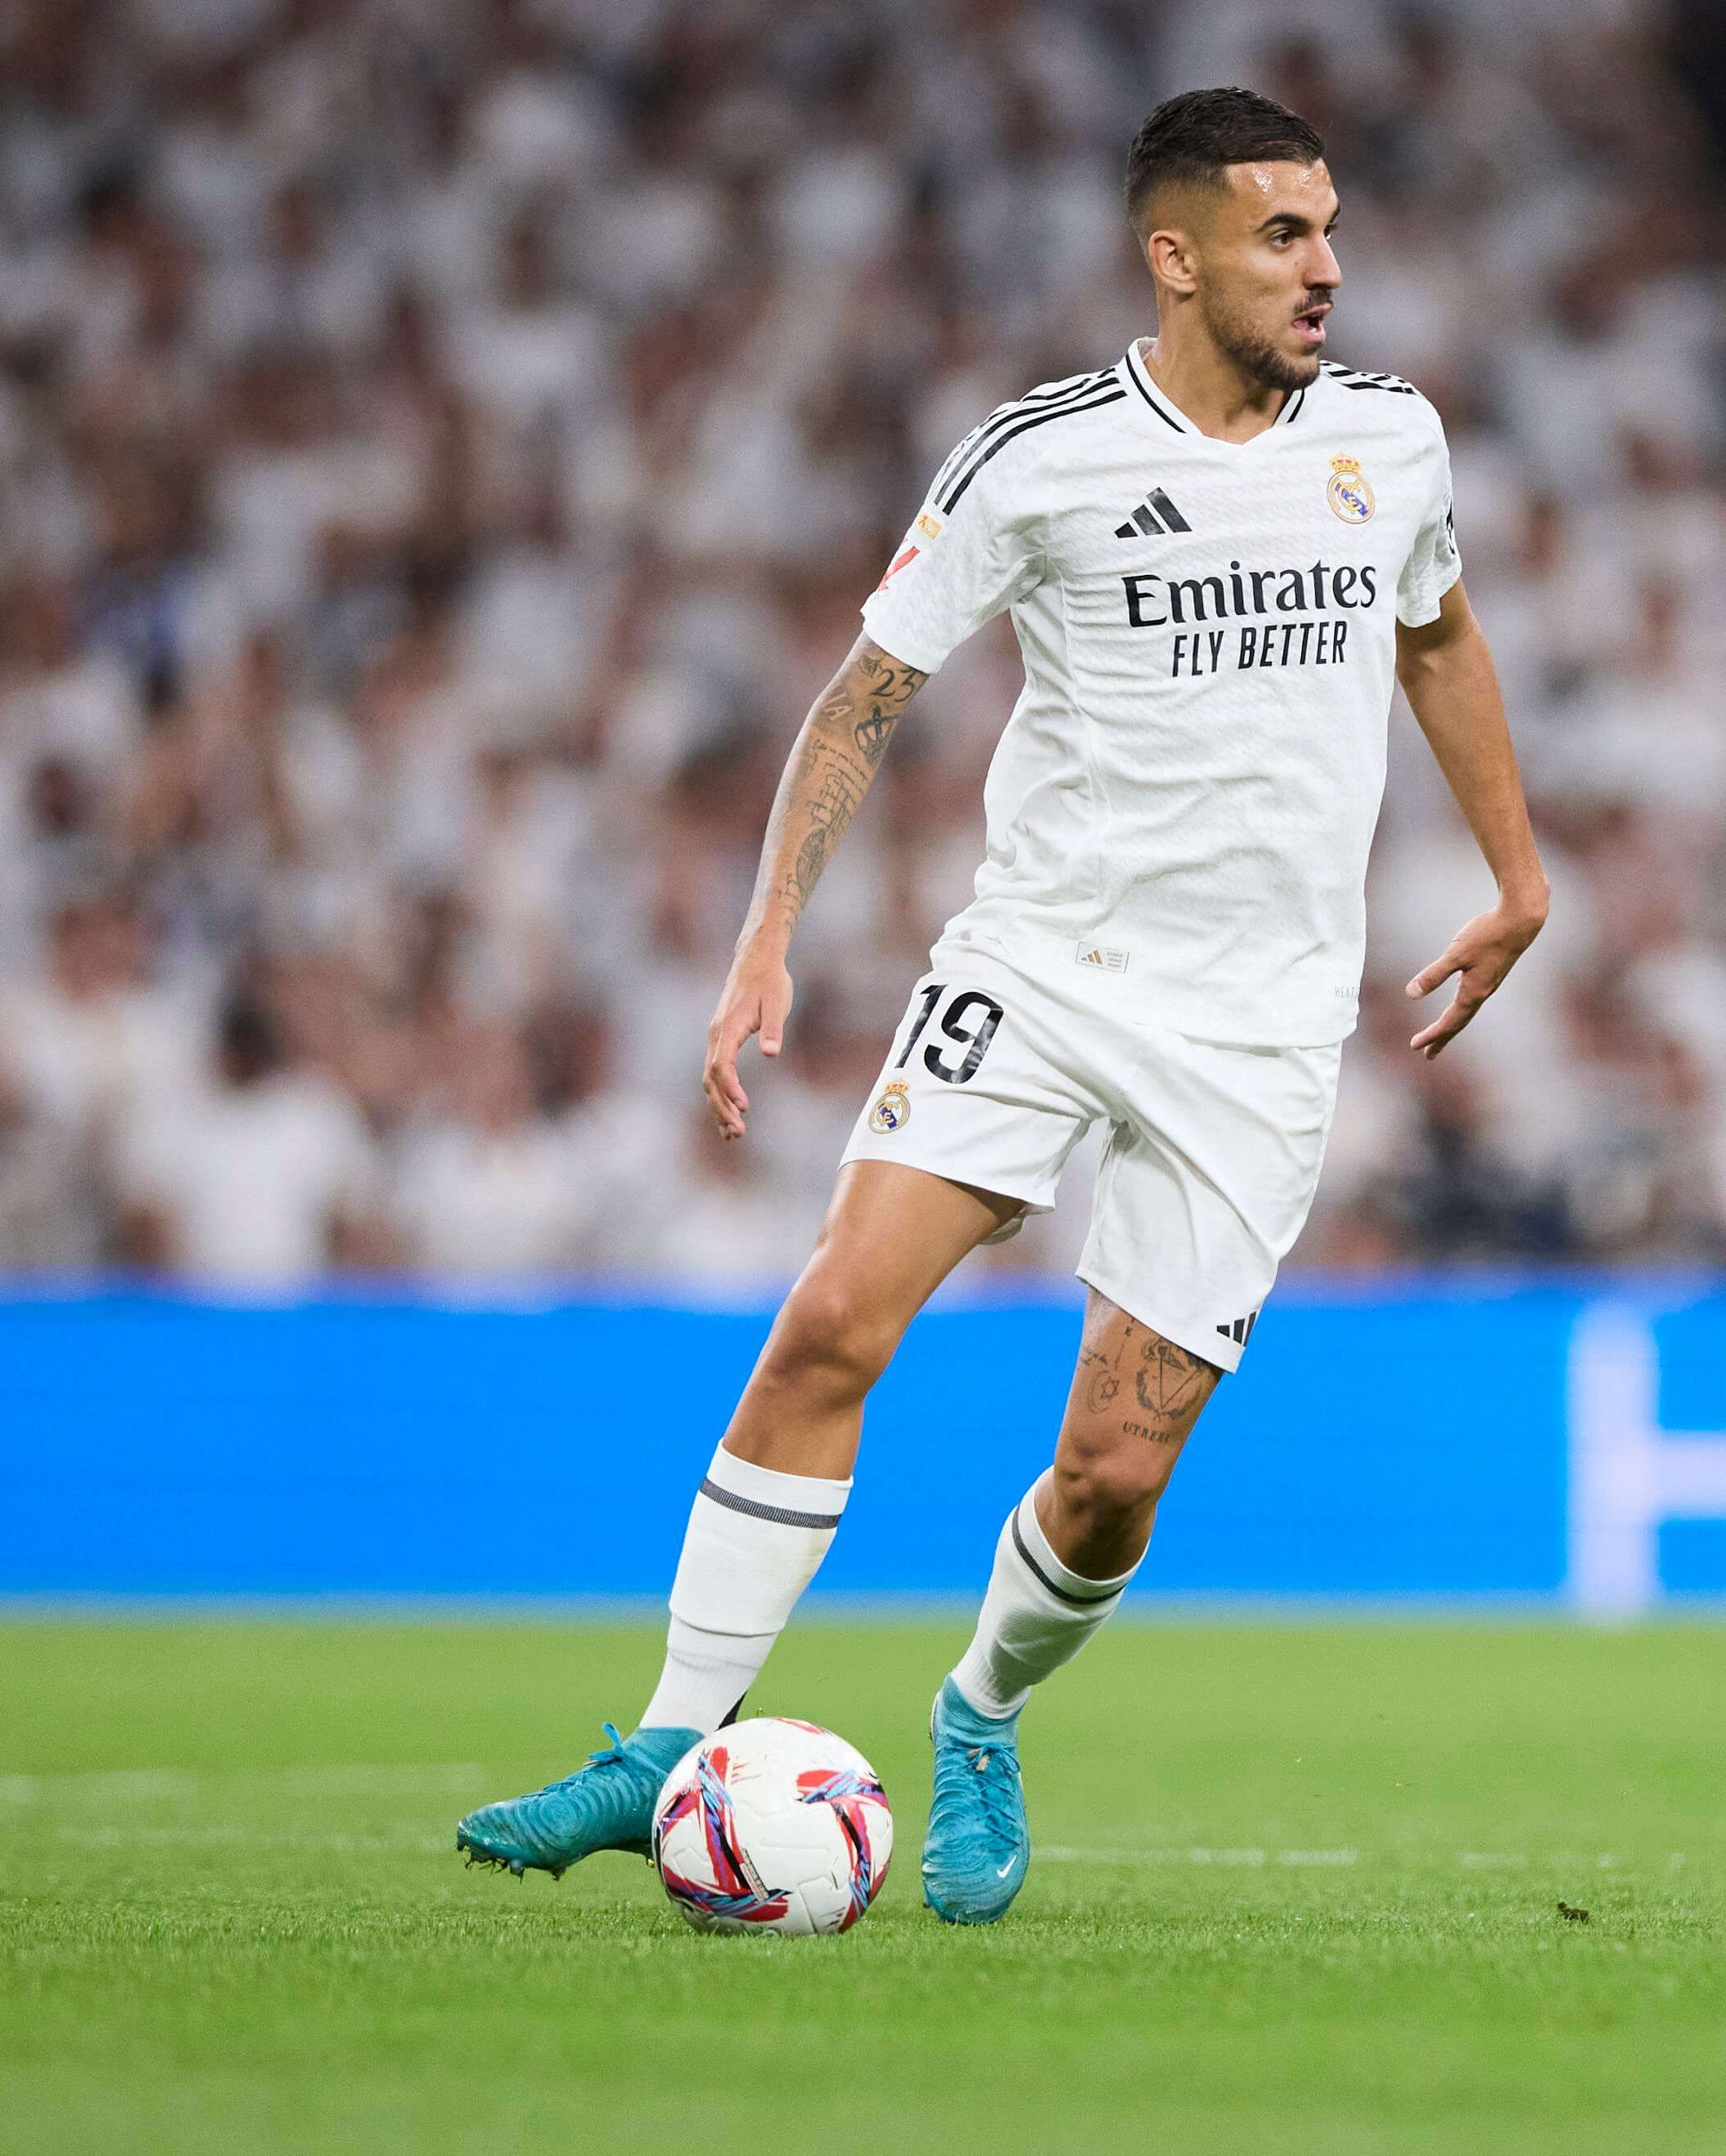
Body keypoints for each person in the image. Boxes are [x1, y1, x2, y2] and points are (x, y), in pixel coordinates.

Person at [454, 88, 1549, 1924]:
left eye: (1331, 232)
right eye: (1284, 235)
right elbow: (863, 696)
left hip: (1261, 1029)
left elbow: (1436, 636)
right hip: (1042, 969)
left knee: (1113, 1474)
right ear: (1175, 256)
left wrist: (1520, 876)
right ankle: (662, 1745)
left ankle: (978, 1713)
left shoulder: (1393, 438)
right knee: (830, 1320)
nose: (1327, 270)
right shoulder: (1036, 458)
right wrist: (766, 936)